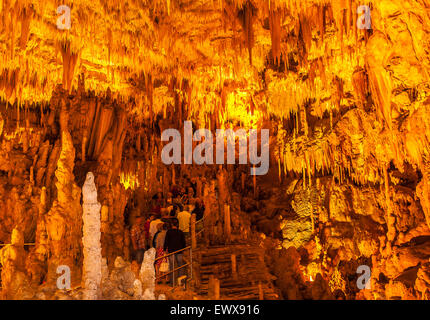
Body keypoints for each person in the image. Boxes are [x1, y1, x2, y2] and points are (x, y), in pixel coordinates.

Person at [163, 219, 186, 286]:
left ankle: (172, 283)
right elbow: (183, 242)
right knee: (180, 266)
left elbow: (166, 241)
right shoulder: (180, 232)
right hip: (179, 251)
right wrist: (183, 249)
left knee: (172, 267)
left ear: (172, 225)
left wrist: (165, 249)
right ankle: (181, 282)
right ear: (178, 225)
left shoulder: (169, 232)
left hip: (171, 251)